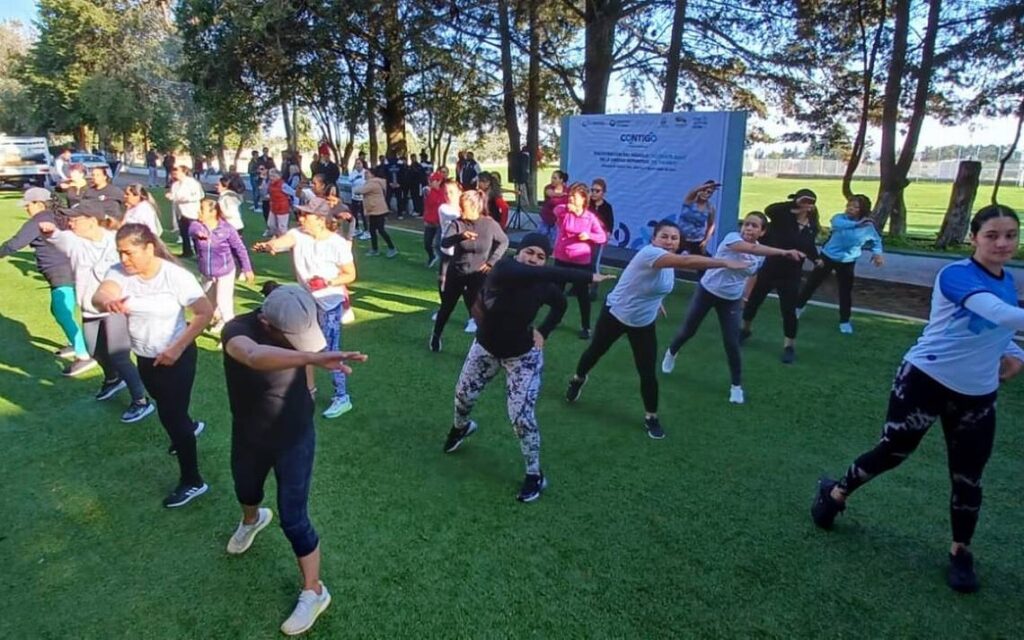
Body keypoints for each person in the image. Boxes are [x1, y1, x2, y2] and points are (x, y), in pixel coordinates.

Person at [810, 204, 1024, 594]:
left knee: (968, 476)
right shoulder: (956, 275)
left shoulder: (1007, 279)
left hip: (977, 395)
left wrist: (1016, 353)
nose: (1002, 243)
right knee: (893, 451)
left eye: (1011, 235)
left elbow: (998, 323)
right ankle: (836, 493)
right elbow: (993, 311)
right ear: (973, 237)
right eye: (992, 235)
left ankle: (960, 552)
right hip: (925, 379)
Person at [221, 284, 367, 635]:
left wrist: (312, 386)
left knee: (294, 518)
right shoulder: (237, 330)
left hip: (295, 436)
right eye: (295, 340)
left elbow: (308, 356)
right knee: (246, 488)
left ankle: (314, 591)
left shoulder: (302, 325)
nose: (303, 346)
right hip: (250, 432)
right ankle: (252, 520)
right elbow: (255, 356)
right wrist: (312, 358)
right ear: (268, 323)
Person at [442, 233, 616, 502]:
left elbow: (560, 304)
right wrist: (587, 276)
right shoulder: (505, 269)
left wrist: (543, 331)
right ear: (518, 253)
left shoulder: (544, 286)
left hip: (523, 357)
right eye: (530, 252)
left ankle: (535, 474)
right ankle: (461, 427)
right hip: (485, 349)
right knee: (463, 396)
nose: (534, 259)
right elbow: (537, 272)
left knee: (521, 418)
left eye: (540, 256)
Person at [565, 221, 746, 439]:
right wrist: (724, 263)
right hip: (616, 314)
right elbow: (686, 260)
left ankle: (651, 417)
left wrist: (657, 301)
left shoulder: (668, 265)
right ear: (654, 239)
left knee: (647, 372)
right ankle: (578, 378)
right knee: (595, 351)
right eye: (664, 236)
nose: (669, 241)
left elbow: (653, 283)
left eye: (674, 238)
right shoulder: (649, 253)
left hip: (643, 322)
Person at [93, 223, 214, 507]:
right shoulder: (119, 272)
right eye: (120, 253)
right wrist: (107, 302)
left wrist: (176, 348)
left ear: (148, 248)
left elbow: (204, 312)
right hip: (146, 356)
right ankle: (187, 427)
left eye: (129, 253)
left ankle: (193, 481)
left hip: (177, 356)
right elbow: (99, 295)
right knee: (167, 407)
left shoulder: (175, 277)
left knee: (172, 416)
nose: (124, 259)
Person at [661, 212, 804, 404]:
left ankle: (736, 386)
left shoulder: (760, 254)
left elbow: (752, 274)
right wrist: (784, 252)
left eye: (754, 226)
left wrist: (746, 295)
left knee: (732, 342)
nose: (749, 229)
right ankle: (671, 353)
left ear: (762, 231)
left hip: (731, 299)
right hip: (707, 291)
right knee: (689, 330)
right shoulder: (732, 238)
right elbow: (749, 248)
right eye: (746, 224)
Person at [40, 201, 154, 422]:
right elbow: (59, 238)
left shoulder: (114, 242)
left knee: (119, 355)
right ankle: (112, 380)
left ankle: (141, 400)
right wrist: (51, 231)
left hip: (116, 308)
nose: (70, 223)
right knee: (94, 351)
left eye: (75, 219)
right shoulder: (75, 242)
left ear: (92, 221)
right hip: (90, 308)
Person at [253, 198, 357, 419]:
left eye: (305, 215)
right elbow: (283, 242)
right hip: (304, 302)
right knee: (301, 349)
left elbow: (350, 274)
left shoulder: (337, 244)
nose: (300, 218)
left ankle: (342, 397)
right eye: (299, 214)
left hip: (329, 304)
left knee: (329, 352)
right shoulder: (298, 234)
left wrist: (327, 282)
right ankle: (308, 392)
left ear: (320, 220)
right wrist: (269, 246)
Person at [0, 188, 94, 376]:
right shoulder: (60, 215)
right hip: (74, 268)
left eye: (28, 205)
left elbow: (14, 244)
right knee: (60, 310)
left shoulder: (38, 221)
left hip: (61, 272)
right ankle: (75, 344)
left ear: (39, 204)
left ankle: (84, 355)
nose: (26, 208)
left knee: (62, 310)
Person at [740, 188, 820, 364]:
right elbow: (770, 209)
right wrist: (793, 204)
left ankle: (788, 346)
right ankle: (745, 330)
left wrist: (816, 259)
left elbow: (809, 246)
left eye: (809, 202)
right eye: (802, 200)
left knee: (789, 311)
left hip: (791, 274)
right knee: (753, 302)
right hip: (771, 268)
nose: (805, 205)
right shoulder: (783, 218)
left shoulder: (812, 226)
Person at [430, 190, 509, 351]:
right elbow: (444, 243)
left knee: (479, 309)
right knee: (447, 306)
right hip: (457, 272)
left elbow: (504, 241)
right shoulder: (457, 224)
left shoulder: (489, 224)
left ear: (475, 207)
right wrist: (461, 236)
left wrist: (492, 262)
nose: (460, 209)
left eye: (463, 207)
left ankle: (485, 343)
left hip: (478, 275)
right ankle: (436, 336)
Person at [796, 194, 884, 333]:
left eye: (855, 207)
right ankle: (798, 307)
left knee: (845, 291)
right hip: (827, 257)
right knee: (812, 283)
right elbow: (837, 224)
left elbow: (876, 240)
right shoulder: (839, 218)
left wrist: (877, 253)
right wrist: (857, 224)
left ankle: (844, 321)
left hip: (848, 262)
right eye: (849, 205)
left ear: (863, 209)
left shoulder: (868, 227)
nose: (850, 209)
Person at [553, 182, 607, 340]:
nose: (571, 199)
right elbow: (555, 209)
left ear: (583, 199)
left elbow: (602, 237)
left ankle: (586, 327)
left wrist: (588, 236)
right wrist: (567, 208)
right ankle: (555, 319)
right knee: (556, 293)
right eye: (570, 196)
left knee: (583, 296)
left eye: (574, 197)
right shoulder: (564, 212)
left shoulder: (590, 218)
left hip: (581, 262)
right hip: (561, 259)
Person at [190, 199, 254, 332]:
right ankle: (218, 322)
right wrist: (198, 233)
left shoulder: (227, 229)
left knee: (224, 303)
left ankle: (231, 332)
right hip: (206, 273)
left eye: (202, 209)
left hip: (225, 272)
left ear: (213, 212)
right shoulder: (198, 225)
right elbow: (192, 229)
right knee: (209, 303)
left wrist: (247, 268)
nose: (198, 211)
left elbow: (240, 249)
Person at [354, 166, 397, 257]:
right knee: (372, 230)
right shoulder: (373, 182)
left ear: (372, 175)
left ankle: (392, 248)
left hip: (378, 210)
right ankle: (375, 249)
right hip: (374, 210)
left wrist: (356, 188)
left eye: (367, 173)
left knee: (381, 230)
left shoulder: (373, 183)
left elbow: (359, 191)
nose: (365, 175)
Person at [167, 165, 205, 257]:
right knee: (184, 233)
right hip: (180, 212)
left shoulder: (192, 183)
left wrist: (182, 199)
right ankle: (187, 251)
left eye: (177, 171)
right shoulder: (175, 185)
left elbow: (199, 195)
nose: (175, 173)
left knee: (195, 233)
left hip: (192, 212)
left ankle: (200, 253)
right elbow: (174, 196)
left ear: (184, 172)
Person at [676, 180, 720, 255]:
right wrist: (706, 186)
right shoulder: (689, 201)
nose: (705, 193)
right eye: (703, 190)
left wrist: (706, 240)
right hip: (681, 239)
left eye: (709, 192)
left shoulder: (710, 208)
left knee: (702, 262)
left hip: (696, 241)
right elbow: (693, 191)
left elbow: (711, 225)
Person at [588, 178, 615, 300]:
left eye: (597, 191)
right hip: (586, 237)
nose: (594, 193)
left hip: (598, 239)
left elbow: (610, 224)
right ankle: (578, 286)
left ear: (603, 192)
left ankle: (593, 290)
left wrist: (606, 235)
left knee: (594, 263)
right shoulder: (588, 204)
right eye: (592, 190)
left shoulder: (607, 207)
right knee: (582, 262)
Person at [422, 171, 445, 267]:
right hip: (430, 221)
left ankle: (443, 265)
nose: (430, 182)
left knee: (439, 245)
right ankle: (432, 256)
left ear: (439, 181)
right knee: (427, 243)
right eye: (430, 180)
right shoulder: (428, 191)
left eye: (433, 180)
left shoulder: (444, 193)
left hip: (440, 223)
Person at [538, 170, 568, 242]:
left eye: (555, 178)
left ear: (561, 180)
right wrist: (561, 194)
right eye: (552, 178)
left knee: (555, 241)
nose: (552, 180)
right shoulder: (548, 187)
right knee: (541, 239)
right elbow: (550, 193)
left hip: (557, 221)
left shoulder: (566, 190)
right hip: (545, 219)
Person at [267, 169, 294, 237]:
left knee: (282, 227)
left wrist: (294, 204)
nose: (271, 178)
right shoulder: (270, 184)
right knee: (271, 224)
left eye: (273, 176)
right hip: (273, 207)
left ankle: (284, 242)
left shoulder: (283, 185)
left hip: (282, 208)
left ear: (279, 176)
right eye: (270, 176)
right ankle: (277, 236)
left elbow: (293, 193)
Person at [348, 159, 369, 240]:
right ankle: (357, 229)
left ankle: (367, 231)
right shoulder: (353, 173)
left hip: (363, 197)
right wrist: (356, 178)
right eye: (356, 164)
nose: (358, 165)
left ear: (362, 164)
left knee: (364, 215)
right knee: (354, 214)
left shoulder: (366, 173)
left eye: (359, 163)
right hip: (354, 197)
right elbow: (350, 181)